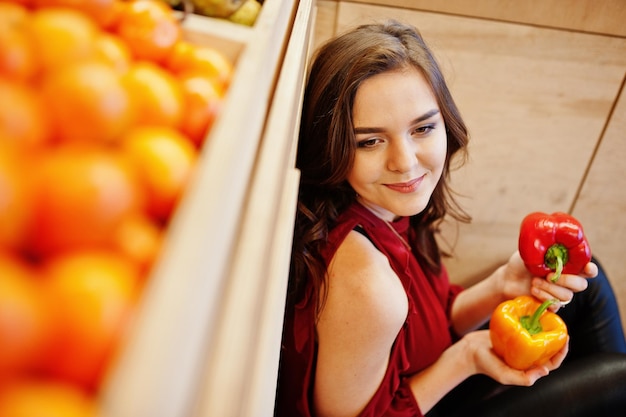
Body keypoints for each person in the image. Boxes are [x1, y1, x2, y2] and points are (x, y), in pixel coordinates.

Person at [274, 20, 626, 417]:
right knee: (618, 382)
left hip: (427, 377)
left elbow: (428, 323)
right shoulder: (368, 286)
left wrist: (499, 285)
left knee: (590, 286)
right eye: (370, 141)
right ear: (333, 145)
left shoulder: (385, 208)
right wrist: (465, 359)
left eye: (423, 127)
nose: (405, 163)